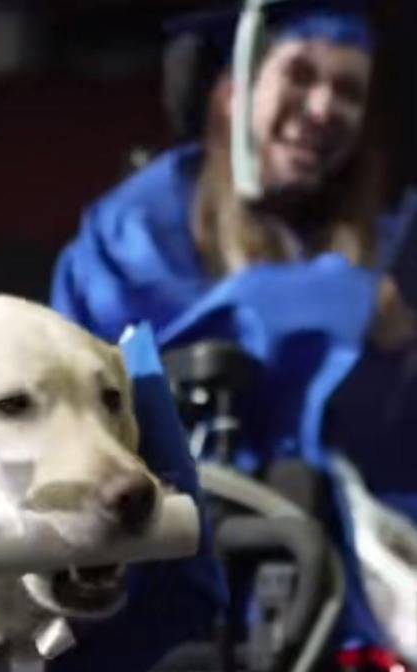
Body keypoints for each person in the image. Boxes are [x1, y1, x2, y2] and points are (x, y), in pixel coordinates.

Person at [51, 0, 417, 497]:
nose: (324, 107)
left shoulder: (377, 237)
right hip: (163, 526)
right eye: (299, 75)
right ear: (231, 93)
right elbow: (158, 344)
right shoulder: (144, 219)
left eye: (348, 91)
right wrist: (346, 301)